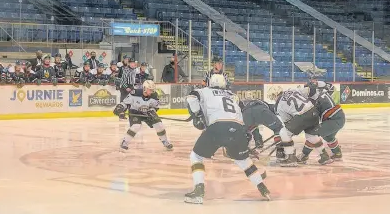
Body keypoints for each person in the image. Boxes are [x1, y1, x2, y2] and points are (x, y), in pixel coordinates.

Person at [184, 74, 270, 204]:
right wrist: (244, 134)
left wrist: (197, 115)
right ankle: (263, 189)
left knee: (196, 157)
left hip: (217, 127)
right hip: (238, 128)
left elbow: (191, 98)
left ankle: (198, 191)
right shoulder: (233, 95)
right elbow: (242, 113)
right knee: (244, 161)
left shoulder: (203, 91)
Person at [274, 88, 334, 166]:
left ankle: (290, 158)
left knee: (284, 132)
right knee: (311, 135)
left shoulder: (279, 106)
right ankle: (324, 156)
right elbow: (309, 91)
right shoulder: (291, 90)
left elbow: (288, 122)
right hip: (313, 111)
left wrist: (284, 142)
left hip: (302, 116)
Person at [113, 80, 173, 151]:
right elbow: (125, 103)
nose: (151, 91)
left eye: (152, 90)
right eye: (150, 90)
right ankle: (124, 142)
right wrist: (120, 107)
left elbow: (155, 107)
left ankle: (165, 141)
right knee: (136, 126)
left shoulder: (154, 95)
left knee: (159, 124)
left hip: (147, 113)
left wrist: (152, 112)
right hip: (135, 112)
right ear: (144, 88)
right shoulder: (134, 93)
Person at [297, 81, 345, 163]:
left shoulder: (314, 98)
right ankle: (337, 153)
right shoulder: (321, 92)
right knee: (328, 137)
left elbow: (312, 116)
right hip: (338, 117)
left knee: (312, 133)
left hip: (334, 120)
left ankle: (304, 155)